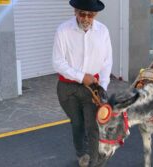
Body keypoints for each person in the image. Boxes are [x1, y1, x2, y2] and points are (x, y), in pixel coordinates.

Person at [52, 0, 112, 166]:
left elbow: (107, 62)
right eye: (82, 13)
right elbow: (57, 62)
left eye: (90, 14)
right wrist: (81, 76)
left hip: (93, 88)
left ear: (96, 14)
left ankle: (94, 162)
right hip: (67, 88)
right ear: (75, 11)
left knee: (92, 125)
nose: (86, 18)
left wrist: (102, 89)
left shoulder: (103, 31)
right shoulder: (63, 30)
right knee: (77, 123)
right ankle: (81, 154)